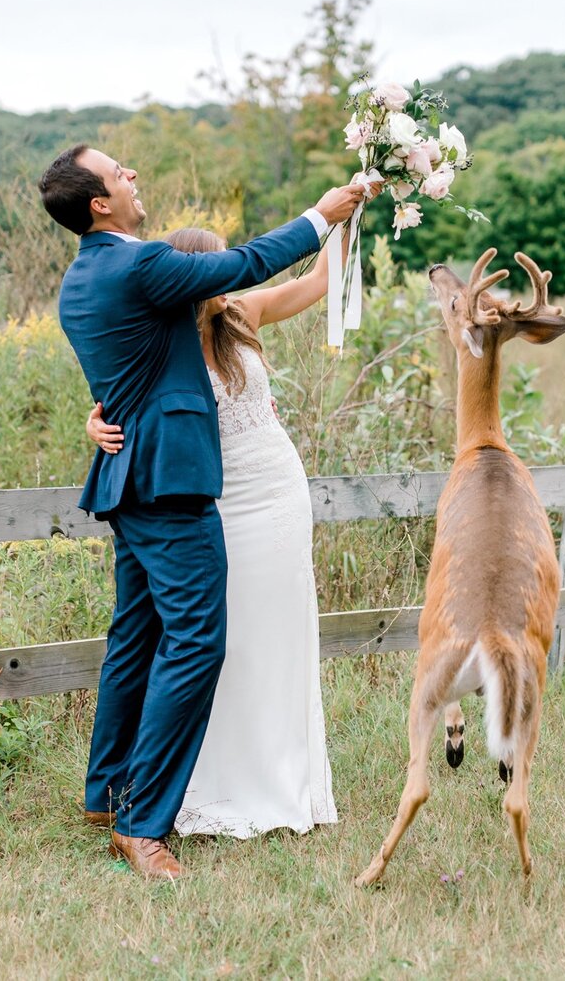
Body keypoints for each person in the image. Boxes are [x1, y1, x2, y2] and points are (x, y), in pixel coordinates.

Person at [38, 144, 365, 879]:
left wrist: (100, 418)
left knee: (135, 638)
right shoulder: (138, 263)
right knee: (196, 643)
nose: (132, 176)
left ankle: (107, 789)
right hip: (172, 485)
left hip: (133, 481)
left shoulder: (82, 279)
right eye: (119, 172)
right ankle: (143, 824)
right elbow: (241, 266)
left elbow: (137, 367)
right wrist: (323, 214)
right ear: (98, 203)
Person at [86, 223, 352, 841]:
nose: (224, 285)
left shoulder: (243, 312)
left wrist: (352, 211)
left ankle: (281, 774)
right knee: (211, 641)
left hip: (277, 489)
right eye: (214, 273)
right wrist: (92, 427)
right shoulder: (157, 336)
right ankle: (203, 782)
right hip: (209, 499)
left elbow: (318, 280)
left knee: (278, 631)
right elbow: (117, 398)